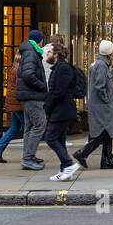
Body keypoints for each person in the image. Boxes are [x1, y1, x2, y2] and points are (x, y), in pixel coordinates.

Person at [75, 40, 113, 170]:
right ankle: (83, 153)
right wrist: (106, 99)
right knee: (104, 132)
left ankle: (107, 159)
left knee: (108, 132)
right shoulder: (101, 65)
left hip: (103, 105)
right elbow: (100, 86)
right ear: (109, 53)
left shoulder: (103, 64)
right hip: (103, 106)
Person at [43, 43, 81, 180]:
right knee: (59, 139)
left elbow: (58, 91)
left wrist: (47, 106)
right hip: (60, 109)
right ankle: (66, 171)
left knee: (50, 138)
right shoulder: (59, 67)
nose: (47, 55)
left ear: (56, 55)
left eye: (49, 52)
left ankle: (68, 163)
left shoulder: (63, 68)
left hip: (61, 110)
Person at [15, 28, 48, 171]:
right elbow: (28, 75)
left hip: (29, 95)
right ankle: (28, 158)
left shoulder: (29, 52)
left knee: (29, 127)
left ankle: (28, 156)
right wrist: (42, 86)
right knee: (40, 125)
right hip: (33, 96)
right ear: (39, 41)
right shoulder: (31, 53)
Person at [0, 48, 25, 163]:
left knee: (14, 128)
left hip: (14, 103)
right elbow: (21, 88)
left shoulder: (14, 66)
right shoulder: (20, 69)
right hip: (18, 104)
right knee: (31, 129)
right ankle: (29, 156)